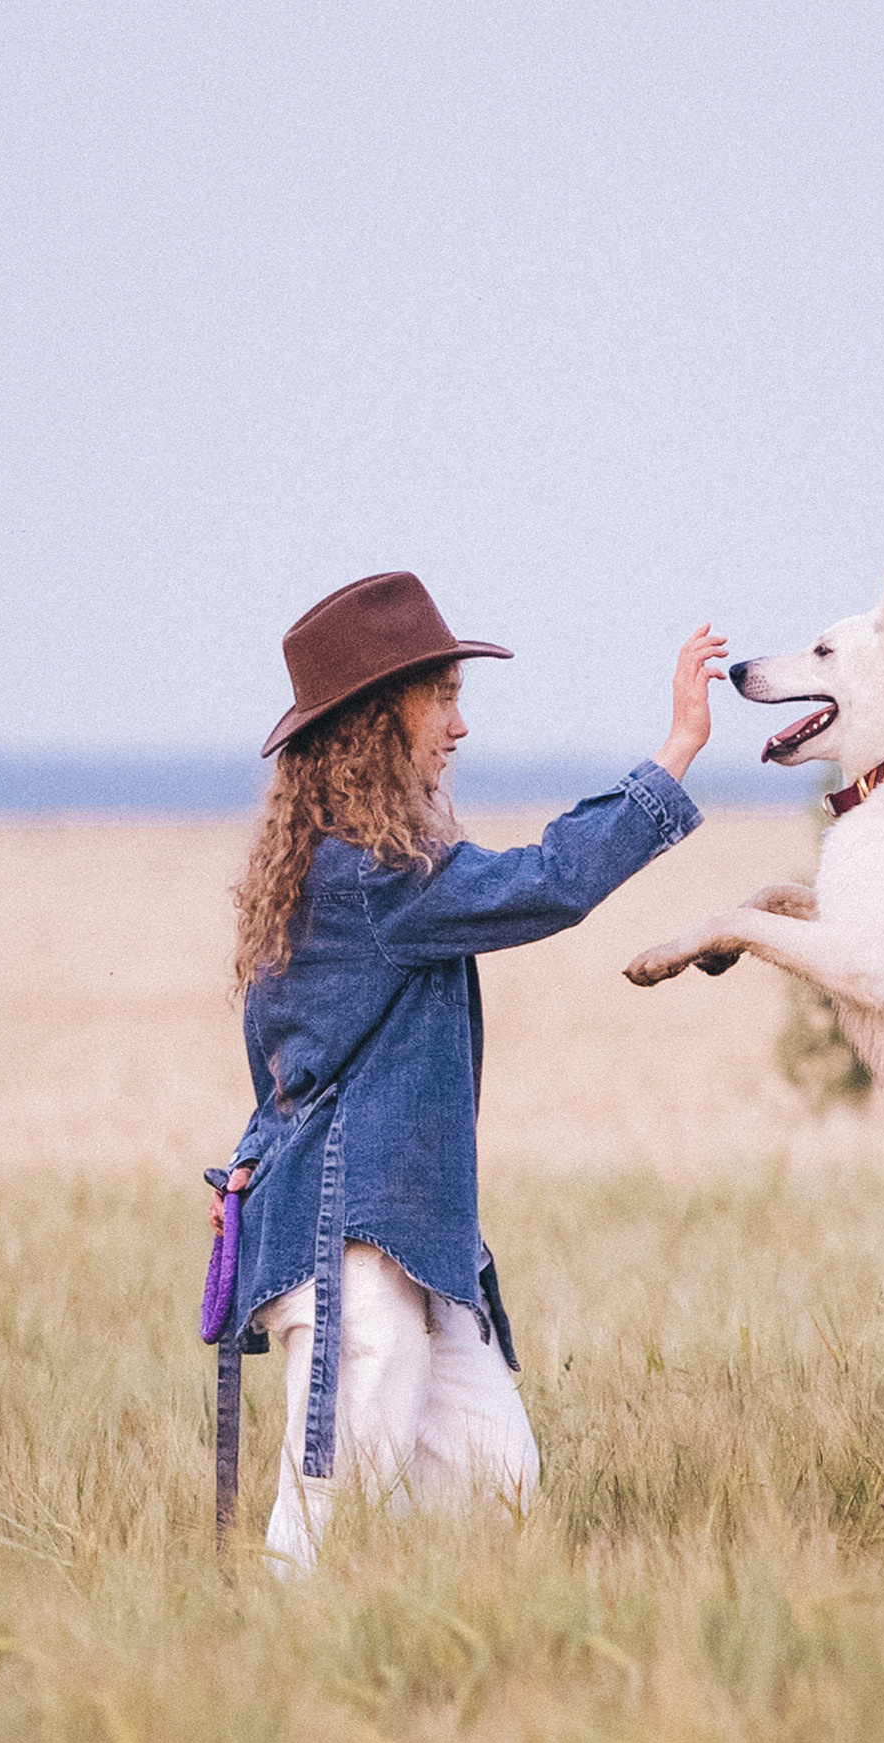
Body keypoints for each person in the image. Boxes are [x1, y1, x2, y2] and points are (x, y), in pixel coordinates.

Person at [211, 570, 724, 1569]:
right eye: (440, 697)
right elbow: (546, 882)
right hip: (347, 1249)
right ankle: (268, 1686)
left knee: (502, 1501)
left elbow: (284, 1076)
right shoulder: (368, 877)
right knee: (323, 1525)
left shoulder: (357, 867)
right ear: (373, 721)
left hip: (408, 1248)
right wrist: (675, 752)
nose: (458, 725)